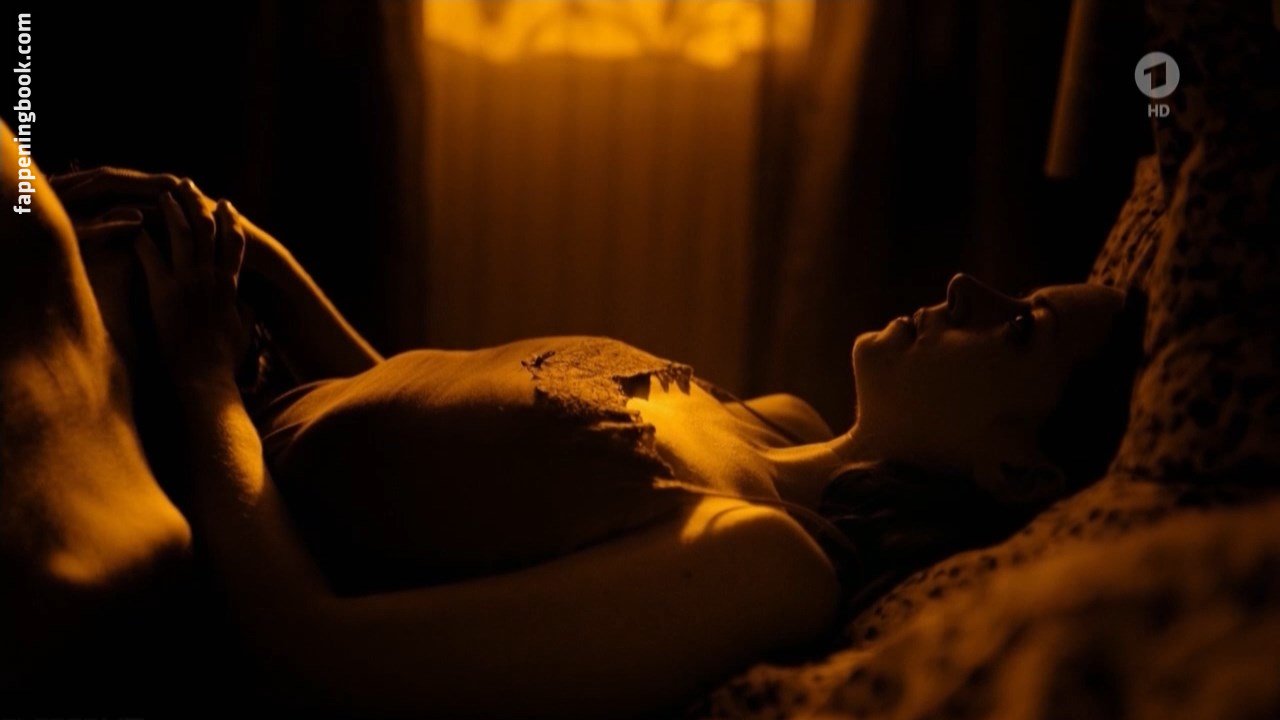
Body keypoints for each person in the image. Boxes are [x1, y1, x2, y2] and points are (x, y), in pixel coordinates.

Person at [14, 147, 1145, 718]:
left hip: (160, 523)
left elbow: (314, 651)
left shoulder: (768, 565)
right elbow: (407, 428)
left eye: (1019, 329)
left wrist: (202, 373)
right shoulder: (771, 421)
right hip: (172, 397)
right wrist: (251, 256)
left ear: (1018, 469)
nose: (967, 288)